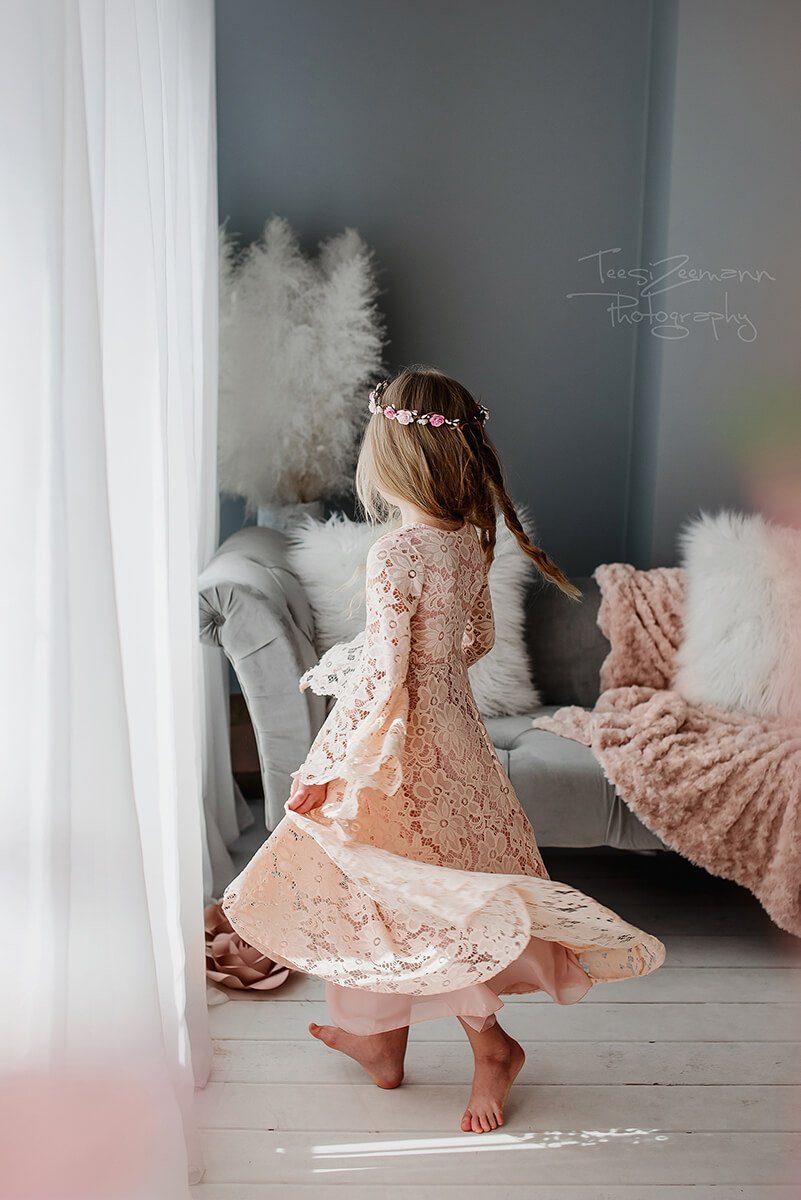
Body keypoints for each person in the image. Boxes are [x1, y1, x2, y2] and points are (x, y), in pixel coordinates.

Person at [222, 365, 666, 1134]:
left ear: (386, 455)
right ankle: (379, 1043)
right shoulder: (466, 543)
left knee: (399, 890)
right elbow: (472, 642)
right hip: (454, 737)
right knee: (409, 888)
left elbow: (387, 678)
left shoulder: (397, 555)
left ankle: (491, 1047)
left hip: (396, 749)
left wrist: (332, 768)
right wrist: (414, 671)